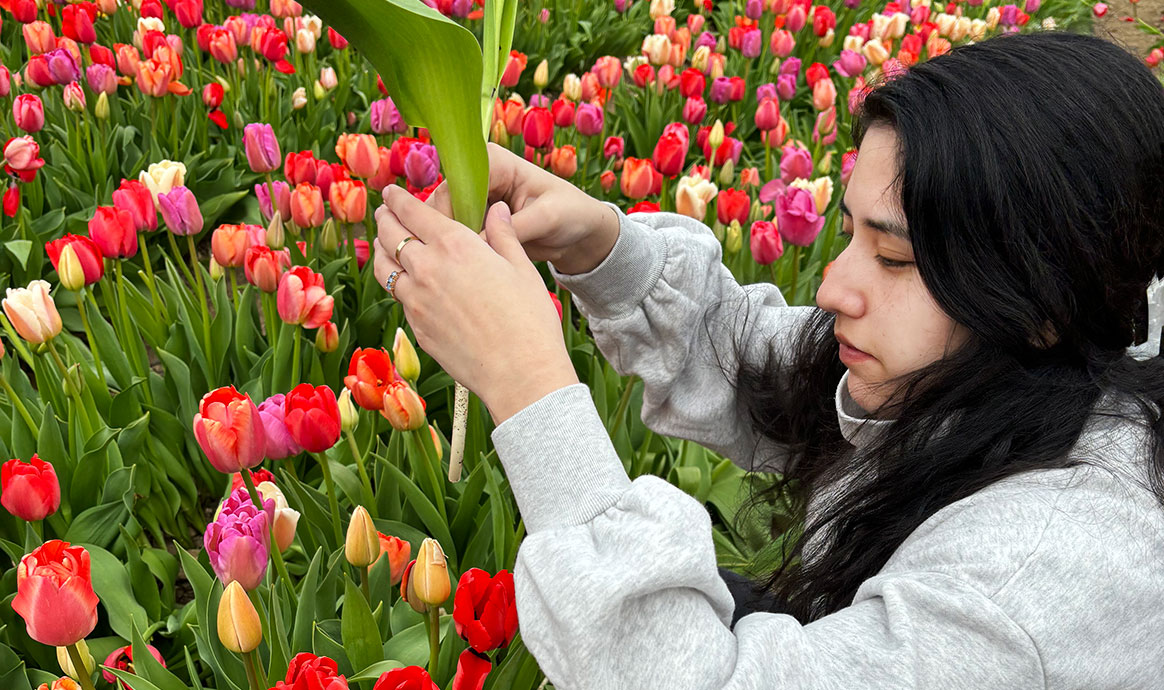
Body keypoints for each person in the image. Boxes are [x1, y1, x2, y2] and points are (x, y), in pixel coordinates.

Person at [372, 30, 1164, 688]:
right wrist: (600, 249)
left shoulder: (1031, 585)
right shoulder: (1022, 373)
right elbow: (776, 378)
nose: (832, 287)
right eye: (850, 230)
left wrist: (528, 386)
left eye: (893, 258)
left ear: (1040, 302)